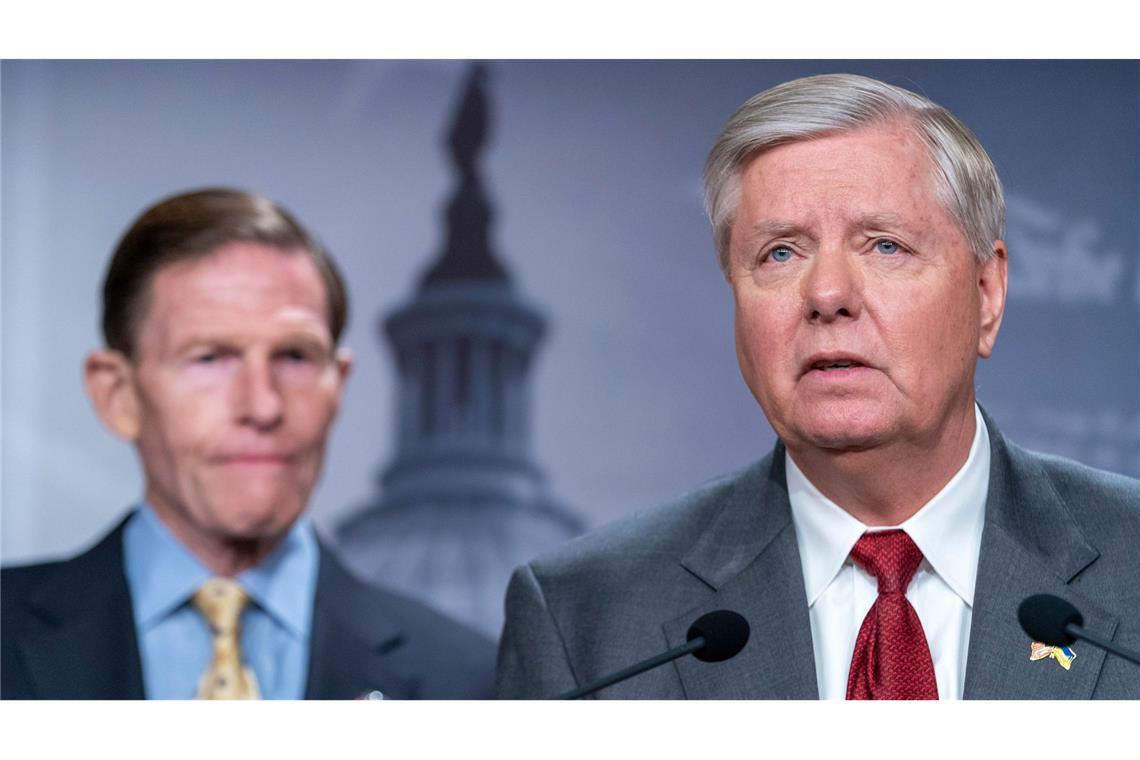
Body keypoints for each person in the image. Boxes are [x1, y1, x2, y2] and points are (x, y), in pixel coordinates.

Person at [496, 74, 1140, 699]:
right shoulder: (584, 622)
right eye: (780, 252)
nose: (828, 294)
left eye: (885, 246)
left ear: (987, 293)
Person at [2, 188, 494, 699]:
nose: (263, 405)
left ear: (339, 385)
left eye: (295, 357)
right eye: (210, 358)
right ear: (118, 395)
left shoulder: (473, 686)